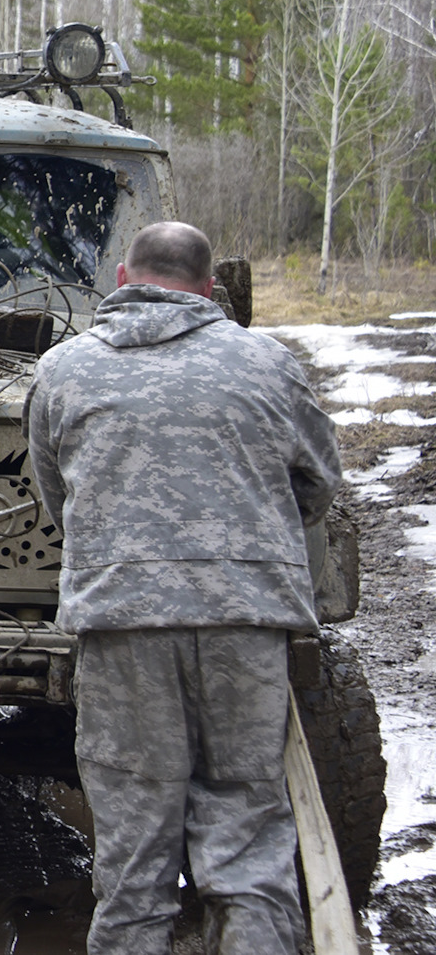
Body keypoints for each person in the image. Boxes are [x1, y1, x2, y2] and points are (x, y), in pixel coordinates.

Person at [25, 221, 342, 954]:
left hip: (121, 623)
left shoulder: (63, 369)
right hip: (245, 620)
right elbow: (319, 484)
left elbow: (58, 497)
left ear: (120, 277)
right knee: (248, 834)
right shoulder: (269, 362)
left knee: (135, 844)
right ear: (210, 289)